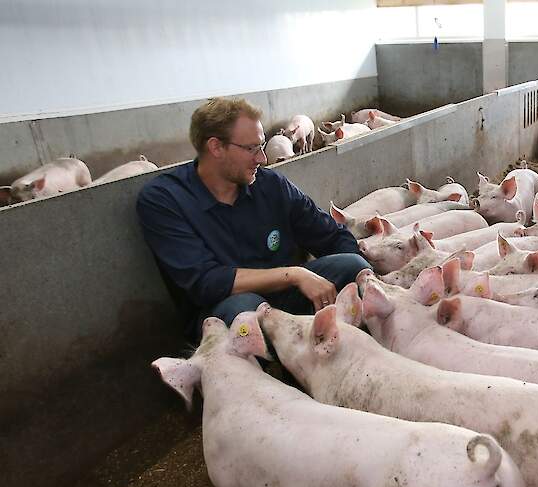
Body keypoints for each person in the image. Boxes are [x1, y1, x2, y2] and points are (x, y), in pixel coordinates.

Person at [137, 97, 370, 341]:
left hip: (287, 293)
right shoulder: (165, 200)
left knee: (353, 266)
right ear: (216, 147)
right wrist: (295, 275)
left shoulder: (271, 185)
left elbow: (330, 234)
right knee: (247, 311)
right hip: (225, 311)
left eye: (262, 146)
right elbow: (206, 282)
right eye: (252, 149)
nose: (263, 158)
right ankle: (269, 374)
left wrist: (367, 278)